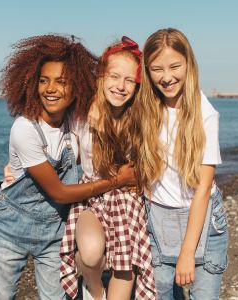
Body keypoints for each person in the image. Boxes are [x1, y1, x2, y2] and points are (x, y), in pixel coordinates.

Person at [0, 34, 136, 300]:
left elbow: (94, 144)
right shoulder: (24, 128)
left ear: (76, 87)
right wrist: (118, 180)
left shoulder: (73, 122)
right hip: (9, 231)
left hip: (54, 231)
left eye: (61, 82)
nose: (51, 88)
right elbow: (59, 193)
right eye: (44, 81)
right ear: (32, 84)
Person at [134, 28, 228, 299]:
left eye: (175, 66)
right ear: (147, 70)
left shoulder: (204, 113)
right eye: (156, 69)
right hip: (157, 218)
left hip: (203, 222)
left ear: (189, 63)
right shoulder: (146, 108)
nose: (166, 77)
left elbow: (203, 188)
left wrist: (188, 251)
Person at [60, 36, 156, 300]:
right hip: (92, 196)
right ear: (102, 76)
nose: (121, 86)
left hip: (128, 202)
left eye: (129, 80)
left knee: (124, 268)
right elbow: (57, 145)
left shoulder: (140, 118)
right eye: (114, 76)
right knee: (90, 254)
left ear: (137, 86)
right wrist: (17, 164)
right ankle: (94, 289)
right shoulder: (81, 115)